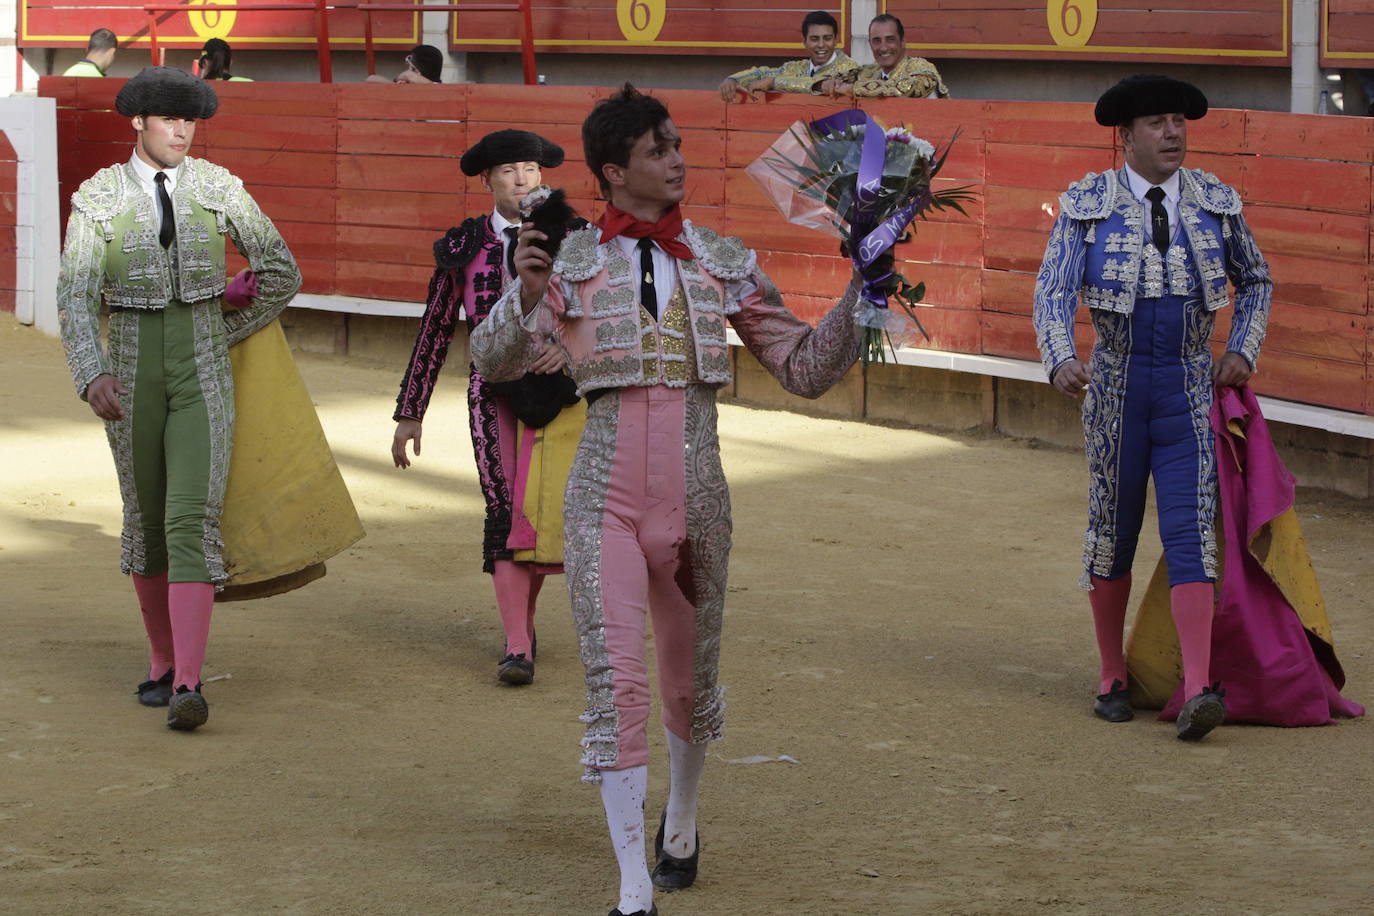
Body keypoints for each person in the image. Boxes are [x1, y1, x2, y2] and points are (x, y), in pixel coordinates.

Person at [471, 84, 866, 916]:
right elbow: (494, 360)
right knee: (616, 686)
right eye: (659, 149)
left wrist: (862, 293)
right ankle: (631, 886)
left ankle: (681, 819)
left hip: (697, 501)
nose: (678, 159)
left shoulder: (723, 258)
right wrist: (527, 293)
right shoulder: (572, 264)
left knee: (690, 679)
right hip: (601, 502)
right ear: (614, 172)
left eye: (678, 143)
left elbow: (802, 368)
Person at [56, 67, 302, 731]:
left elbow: (281, 272)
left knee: (190, 517)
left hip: (200, 373)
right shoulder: (98, 197)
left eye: (190, 120)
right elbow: (75, 296)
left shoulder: (218, 188)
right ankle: (162, 661)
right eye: (170, 119)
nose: (183, 131)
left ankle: (190, 682)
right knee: (146, 518)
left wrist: (220, 333)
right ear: (138, 122)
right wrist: (90, 372)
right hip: (130, 373)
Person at [1032, 74, 1272, 741]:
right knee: (1112, 528)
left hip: (1189, 385)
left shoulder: (1215, 202)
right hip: (1113, 386)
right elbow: (1052, 292)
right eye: (1158, 123)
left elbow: (1256, 280)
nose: (1173, 133)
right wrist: (1059, 357)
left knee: (1192, 530)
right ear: (1127, 135)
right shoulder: (1088, 203)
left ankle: (1197, 685)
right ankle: (1111, 673)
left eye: (1179, 121)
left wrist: (1243, 351)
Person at [392, 129, 581, 685]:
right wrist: (411, 410)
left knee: (541, 509)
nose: (521, 179)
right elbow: (434, 330)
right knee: (505, 508)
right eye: (507, 171)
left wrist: (568, 351)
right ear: (487, 180)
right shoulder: (465, 246)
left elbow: (604, 314)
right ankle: (518, 644)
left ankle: (520, 624)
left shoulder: (578, 237)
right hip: (491, 389)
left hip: (563, 391)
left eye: (529, 168)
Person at [717, 10, 854, 102]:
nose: (821, 44)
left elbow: (821, 85)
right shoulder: (795, 68)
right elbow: (762, 73)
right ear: (804, 42)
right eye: (814, 39)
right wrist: (733, 80)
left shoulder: (850, 69)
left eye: (827, 38)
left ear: (836, 40)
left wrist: (774, 82)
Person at [819, 15, 948, 99]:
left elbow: (905, 88)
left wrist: (854, 89)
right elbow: (833, 80)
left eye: (890, 39)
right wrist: (828, 85)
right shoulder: (868, 72)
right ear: (870, 44)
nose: (883, 47)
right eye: (876, 40)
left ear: (902, 41)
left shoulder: (920, 67)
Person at [366, 44, 443, 84]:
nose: (408, 70)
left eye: (411, 67)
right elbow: (371, 78)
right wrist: (396, 86)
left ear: (417, 72)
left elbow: (408, 75)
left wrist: (399, 79)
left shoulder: (437, 87)